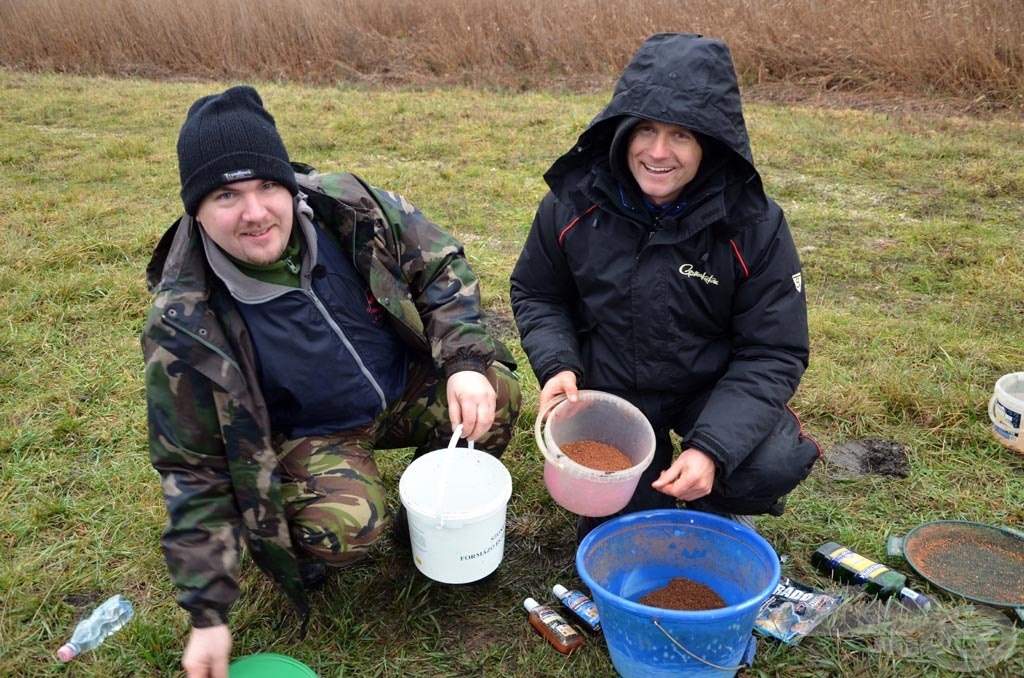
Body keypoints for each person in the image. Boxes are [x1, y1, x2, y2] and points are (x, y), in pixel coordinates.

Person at [142, 85, 520, 678]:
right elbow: (191, 469)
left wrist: (466, 363)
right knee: (346, 526)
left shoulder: (351, 206)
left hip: (398, 385)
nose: (256, 212)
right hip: (312, 436)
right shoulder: (184, 324)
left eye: (268, 185)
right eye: (226, 195)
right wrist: (208, 615)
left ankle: (420, 521)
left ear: (288, 183)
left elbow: (441, 263)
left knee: (494, 393)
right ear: (195, 208)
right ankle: (298, 534)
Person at [510, 33, 820, 541]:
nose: (658, 152)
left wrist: (713, 448)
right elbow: (538, 293)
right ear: (621, 133)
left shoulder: (754, 225)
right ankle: (641, 486)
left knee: (768, 463)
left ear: (711, 145)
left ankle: (712, 490)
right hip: (607, 388)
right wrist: (558, 365)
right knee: (620, 518)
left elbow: (773, 350)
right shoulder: (571, 205)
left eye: (682, 135)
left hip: (707, 388)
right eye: (646, 130)